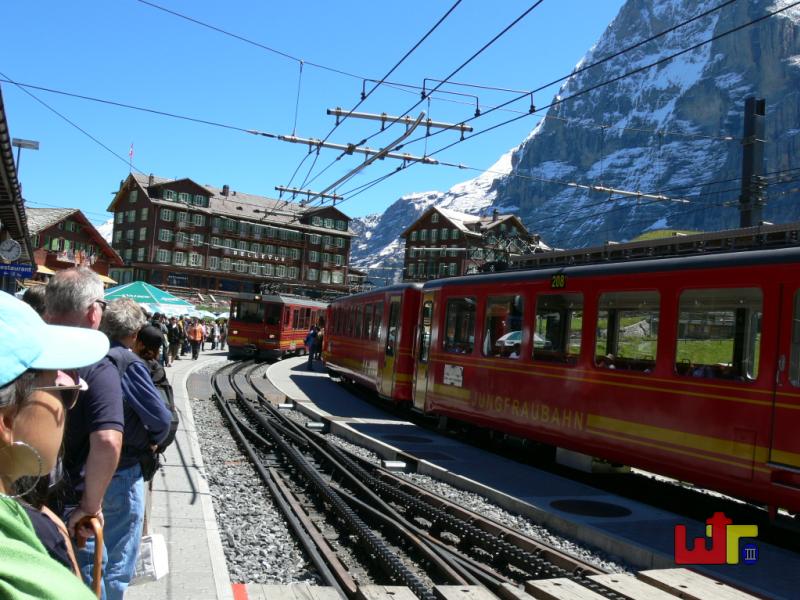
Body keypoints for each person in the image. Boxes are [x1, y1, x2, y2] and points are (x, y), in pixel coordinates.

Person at [0, 290, 109, 600]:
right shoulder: (26, 583)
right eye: (60, 389)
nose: (65, 406)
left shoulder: (27, 520)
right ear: (7, 420)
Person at [44, 268, 125, 589]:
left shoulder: (24, 350)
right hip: (69, 515)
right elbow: (107, 441)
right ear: (93, 311)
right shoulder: (97, 364)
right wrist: (91, 506)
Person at [99, 299, 172, 599]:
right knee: (117, 559)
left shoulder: (91, 353)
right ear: (134, 332)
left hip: (82, 465)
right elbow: (161, 418)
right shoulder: (129, 363)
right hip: (123, 467)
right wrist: (154, 440)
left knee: (91, 550)